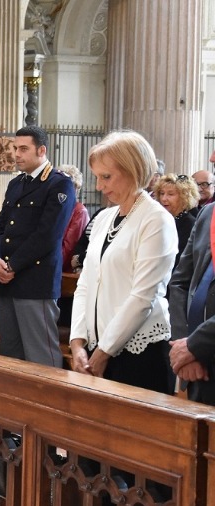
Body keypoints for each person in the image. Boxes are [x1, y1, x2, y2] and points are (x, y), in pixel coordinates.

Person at [69, 130, 176, 393]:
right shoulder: (105, 217)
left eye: (106, 177)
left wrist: (104, 352)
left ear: (134, 170)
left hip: (138, 353)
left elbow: (143, 296)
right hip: (96, 347)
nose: (99, 186)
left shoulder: (156, 220)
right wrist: (77, 343)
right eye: (97, 177)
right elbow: (86, 284)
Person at [0, 125, 76, 367]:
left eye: (23, 149)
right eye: (15, 148)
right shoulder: (16, 184)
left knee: (41, 357)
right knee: (11, 356)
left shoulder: (58, 184)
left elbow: (48, 235)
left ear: (42, 150)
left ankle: (46, 405)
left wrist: (13, 265)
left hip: (35, 281)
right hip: (7, 281)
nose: (16, 154)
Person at [169, 202, 215, 404]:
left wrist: (194, 344)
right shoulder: (209, 212)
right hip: (196, 363)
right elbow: (180, 282)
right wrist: (184, 345)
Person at [153, 173, 199, 268]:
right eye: (162, 193)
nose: (164, 199)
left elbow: (182, 261)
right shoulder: (164, 219)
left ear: (184, 196)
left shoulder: (189, 223)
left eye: (170, 194)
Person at [57, 164, 89, 273]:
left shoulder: (79, 211)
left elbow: (69, 249)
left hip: (65, 272)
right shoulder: (55, 208)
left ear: (75, 189)